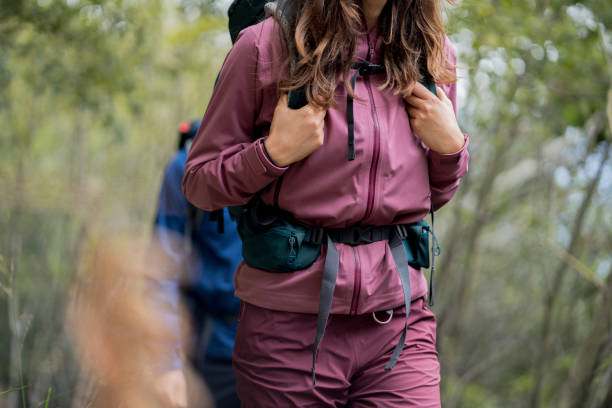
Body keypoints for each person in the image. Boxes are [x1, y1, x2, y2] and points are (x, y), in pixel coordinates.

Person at [183, 0, 469, 406]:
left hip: (398, 327)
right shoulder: (264, 46)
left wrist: (451, 149)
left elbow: (432, 194)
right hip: (287, 332)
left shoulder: (431, 51)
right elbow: (199, 183)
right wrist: (272, 154)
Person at [152, 121, 243, 408]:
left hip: (289, 352)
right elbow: (161, 268)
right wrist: (166, 362)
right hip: (212, 351)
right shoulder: (187, 167)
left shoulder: (305, 150)